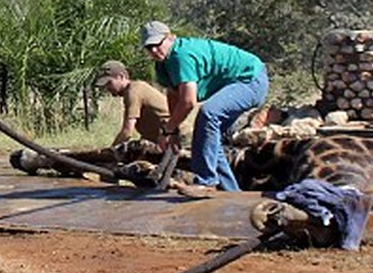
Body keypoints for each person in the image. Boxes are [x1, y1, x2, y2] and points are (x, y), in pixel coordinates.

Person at [141, 21, 268, 197]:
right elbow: (174, 95)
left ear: (170, 38)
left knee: (209, 114)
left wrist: (167, 129)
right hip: (239, 82)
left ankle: (206, 182)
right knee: (208, 137)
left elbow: (188, 102)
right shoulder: (162, 64)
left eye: (157, 44)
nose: (154, 51)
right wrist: (173, 132)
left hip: (251, 80)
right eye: (149, 48)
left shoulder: (181, 56)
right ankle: (233, 194)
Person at [95, 59, 195, 146]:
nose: (107, 88)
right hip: (169, 138)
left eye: (109, 83)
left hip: (179, 138)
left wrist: (110, 152)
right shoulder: (134, 90)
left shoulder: (133, 91)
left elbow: (127, 132)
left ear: (121, 76)